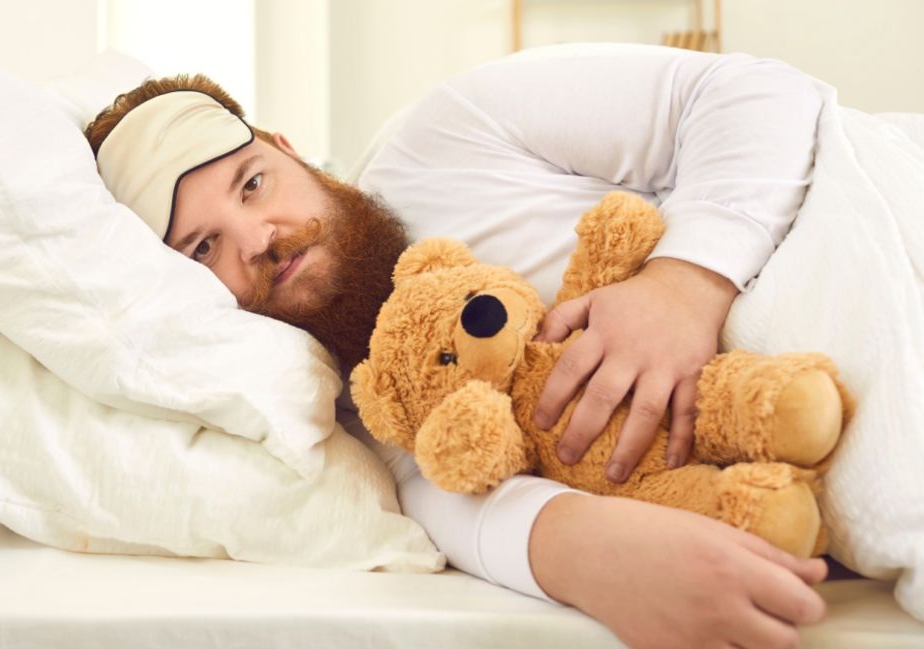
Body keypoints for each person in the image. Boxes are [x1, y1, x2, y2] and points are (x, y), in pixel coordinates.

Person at [85, 43, 830, 649]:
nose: (259, 241)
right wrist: (598, 557)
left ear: (290, 149)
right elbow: (449, 493)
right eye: (203, 247)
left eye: (253, 183)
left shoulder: (447, 132)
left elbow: (757, 92)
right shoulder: (345, 401)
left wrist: (684, 286)